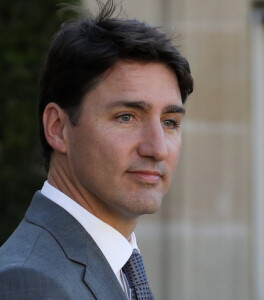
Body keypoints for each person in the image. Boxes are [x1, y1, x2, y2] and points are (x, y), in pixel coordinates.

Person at [0, 1, 193, 299]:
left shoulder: (117, 265)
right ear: (58, 128)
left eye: (169, 122)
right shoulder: (29, 281)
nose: (157, 149)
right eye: (126, 117)